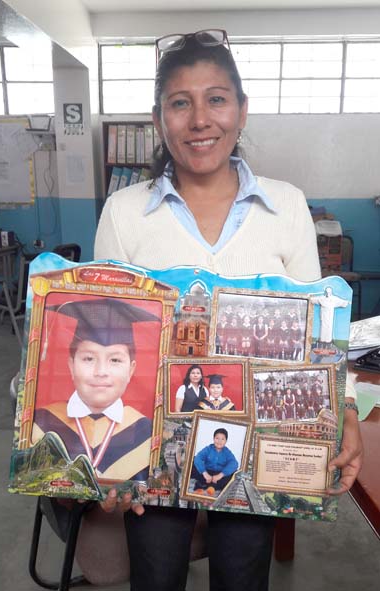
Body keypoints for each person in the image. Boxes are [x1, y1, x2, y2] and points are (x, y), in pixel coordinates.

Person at [95, 29, 363, 591]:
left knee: (242, 575)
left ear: (242, 111)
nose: (200, 119)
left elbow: (317, 335)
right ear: (158, 117)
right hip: (155, 446)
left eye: (216, 99)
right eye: (180, 102)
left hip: (259, 440)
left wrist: (346, 415)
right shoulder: (124, 213)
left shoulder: (285, 205)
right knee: (156, 574)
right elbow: (111, 337)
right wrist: (106, 459)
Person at [32, 297, 159, 481]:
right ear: (71, 366)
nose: (101, 372)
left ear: (131, 370)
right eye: (89, 359)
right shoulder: (41, 424)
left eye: (115, 360)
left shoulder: (147, 433)